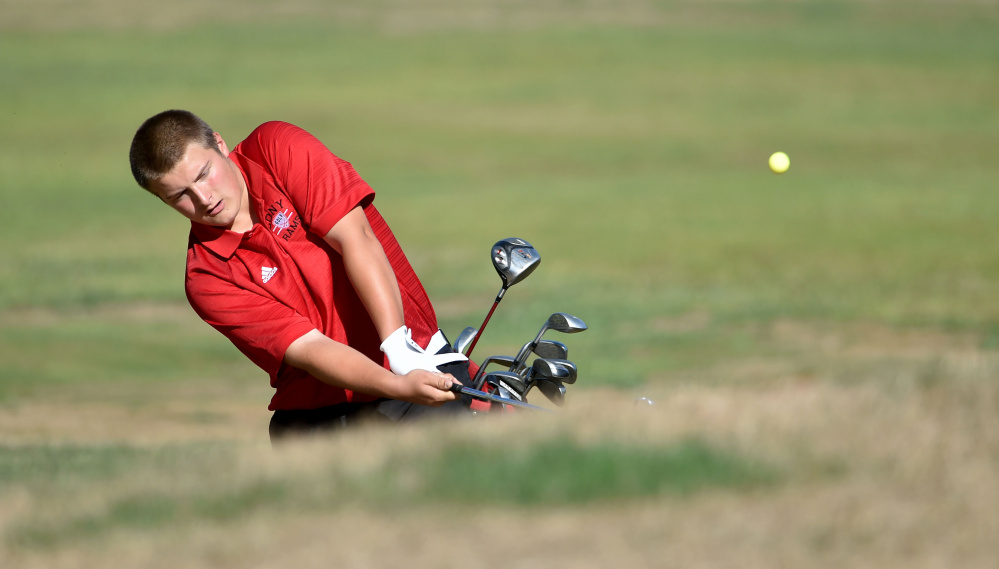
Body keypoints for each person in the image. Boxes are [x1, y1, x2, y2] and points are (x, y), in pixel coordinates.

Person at [128, 110, 479, 440]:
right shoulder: (206, 277)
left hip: (416, 358)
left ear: (220, 144)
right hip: (318, 415)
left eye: (204, 174)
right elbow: (310, 348)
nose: (204, 198)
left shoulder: (274, 148)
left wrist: (399, 351)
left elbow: (355, 237)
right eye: (180, 195)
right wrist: (397, 385)